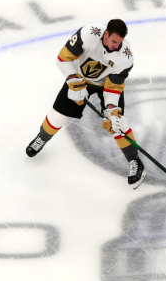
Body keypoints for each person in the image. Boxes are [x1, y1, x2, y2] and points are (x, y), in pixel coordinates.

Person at [25, 18, 144, 188]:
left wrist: (111, 110)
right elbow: (63, 58)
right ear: (106, 34)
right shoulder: (88, 34)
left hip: (105, 86)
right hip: (79, 78)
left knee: (118, 124)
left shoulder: (125, 57)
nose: (116, 45)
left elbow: (114, 87)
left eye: (120, 42)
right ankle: (41, 138)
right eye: (113, 41)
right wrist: (73, 80)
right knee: (59, 116)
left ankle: (135, 161)